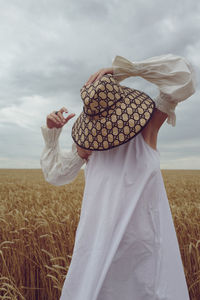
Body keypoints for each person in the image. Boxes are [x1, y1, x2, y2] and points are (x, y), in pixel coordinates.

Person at [40, 54, 195, 300]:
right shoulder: (88, 146)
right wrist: (52, 134)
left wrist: (123, 69)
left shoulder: (148, 128)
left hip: (143, 257)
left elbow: (184, 73)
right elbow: (55, 176)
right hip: (99, 253)